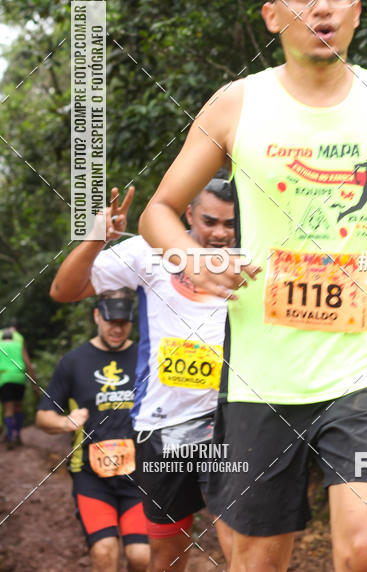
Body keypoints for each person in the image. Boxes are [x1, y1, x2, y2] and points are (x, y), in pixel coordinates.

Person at [139, 0, 367, 571]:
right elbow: (159, 210)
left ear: (356, 11)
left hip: (365, 361)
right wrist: (194, 258)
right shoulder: (237, 104)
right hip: (261, 373)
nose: (321, 8)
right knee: (258, 560)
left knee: (366, 548)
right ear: (272, 16)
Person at [50, 176, 235, 571]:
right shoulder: (150, 249)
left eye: (230, 224)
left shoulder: (254, 255)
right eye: (210, 221)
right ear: (188, 214)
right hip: (163, 425)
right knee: (166, 556)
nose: (220, 233)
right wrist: (97, 239)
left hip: (232, 418)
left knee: (240, 544)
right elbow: (65, 290)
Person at [36, 289, 150, 572]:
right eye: (111, 321)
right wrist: (65, 422)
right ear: (97, 316)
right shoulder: (73, 362)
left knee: (141, 556)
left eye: (124, 322)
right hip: (91, 476)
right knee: (104, 550)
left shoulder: (146, 357)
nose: (117, 329)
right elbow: (42, 416)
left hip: (138, 477)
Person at [0, 319, 38, 448]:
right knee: (18, 407)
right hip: (20, 379)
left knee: (8, 409)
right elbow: (28, 365)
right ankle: (18, 436)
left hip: (5, 378)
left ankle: (10, 438)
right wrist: (34, 384)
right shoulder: (18, 345)